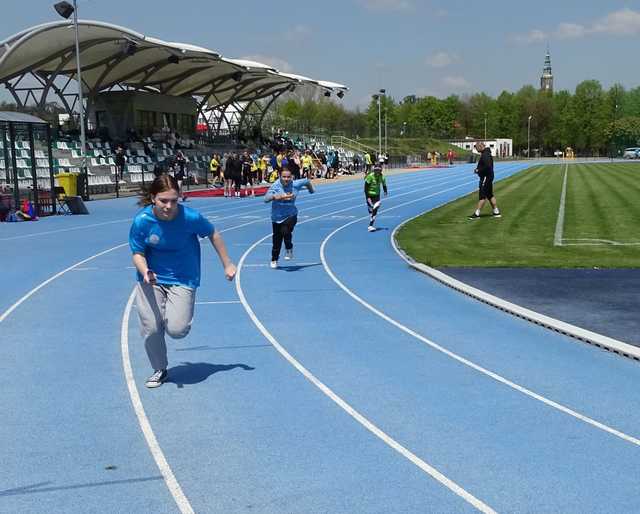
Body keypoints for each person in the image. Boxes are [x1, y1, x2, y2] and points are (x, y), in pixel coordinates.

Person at [129, 174, 236, 388]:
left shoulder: (190, 218)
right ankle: (160, 369)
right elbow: (137, 252)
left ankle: (177, 317)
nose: (169, 206)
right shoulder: (142, 221)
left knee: (176, 330)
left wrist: (228, 263)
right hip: (151, 278)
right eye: (163, 201)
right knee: (151, 327)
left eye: (173, 200)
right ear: (153, 198)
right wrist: (146, 271)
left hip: (183, 277)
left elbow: (213, 233)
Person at [264, 168, 314, 268]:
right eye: (284, 177)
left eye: (288, 177)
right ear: (279, 176)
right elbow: (265, 199)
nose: (286, 179)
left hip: (291, 214)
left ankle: (289, 248)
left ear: (291, 177)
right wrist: (275, 197)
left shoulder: (295, 184)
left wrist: (311, 190)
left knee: (285, 230)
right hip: (277, 216)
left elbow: (307, 181)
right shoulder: (276, 186)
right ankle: (274, 259)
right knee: (276, 240)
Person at [468, 142, 501, 219]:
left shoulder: (485, 155)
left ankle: (477, 213)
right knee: (490, 195)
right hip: (488, 176)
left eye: (476, 147)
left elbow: (488, 166)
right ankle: (496, 212)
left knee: (482, 196)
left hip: (486, 177)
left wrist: (478, 170)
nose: (476, 149)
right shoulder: (485, 153)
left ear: (480, 146)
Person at [364, 164, 388, 232]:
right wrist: (367, 196)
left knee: (375, 209)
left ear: (380, 170)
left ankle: (370, 225)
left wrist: (385, 191)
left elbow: (384, 184)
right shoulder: (370, 176)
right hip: (369, 195)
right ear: (374, 170)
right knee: (371, 211)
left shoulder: (382, 177)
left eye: (378, 170)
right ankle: (372, 208)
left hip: (377, 195)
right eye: (376, 170)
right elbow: (365, 187)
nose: (377, 171)